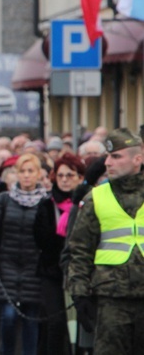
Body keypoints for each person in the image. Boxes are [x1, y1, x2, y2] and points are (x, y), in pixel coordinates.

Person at [66, 128, 144, 355]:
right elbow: (80, 250)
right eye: (108, 157)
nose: (108, 163)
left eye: (116, 156)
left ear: (137, 159)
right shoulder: (97, 198)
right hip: (111, 299)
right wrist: (79, 294)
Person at [0, 153, 47, 355]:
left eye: (31, 171)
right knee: (8, 317)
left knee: (30, 319)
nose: (26, 176)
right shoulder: (4, 199)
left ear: (38, 174)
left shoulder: (45, 201)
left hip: (34, 269)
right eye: (22, 171)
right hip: (7, 266)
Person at [33, 153, 86, 355]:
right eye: (61, 175)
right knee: (55, 323)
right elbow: (40, 239)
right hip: (51, 272)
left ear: (80, 177)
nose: (64, 179)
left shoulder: (86, 204)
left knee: (79, 326)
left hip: (78, 272)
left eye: (70, 175)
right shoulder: (46, 205)